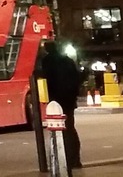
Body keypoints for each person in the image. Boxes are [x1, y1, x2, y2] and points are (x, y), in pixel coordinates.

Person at [40, 41, 84, 169]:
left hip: (57, 100)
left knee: (60, 131)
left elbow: (47, 79)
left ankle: (64, 160)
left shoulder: (47, 61)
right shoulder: (67, 60)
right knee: (70, 128)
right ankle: (75, 160)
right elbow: (77, 77)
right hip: (69, 99)